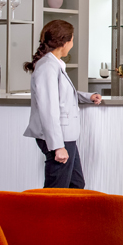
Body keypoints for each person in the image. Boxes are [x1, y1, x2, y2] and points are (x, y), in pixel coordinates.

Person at [23, 20, 102, 188]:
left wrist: (89, 97)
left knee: (76, 184)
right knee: (57, 190)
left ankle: (67, 215)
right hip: (59, 137)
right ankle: (46, 215)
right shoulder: (47, 67)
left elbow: (63, 95)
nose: (72, 44)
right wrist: (58, 146)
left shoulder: (55, 64)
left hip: (66, 136)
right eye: (72, 40)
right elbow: (48, 108)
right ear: (65, 42)